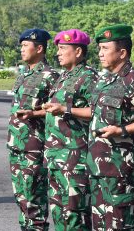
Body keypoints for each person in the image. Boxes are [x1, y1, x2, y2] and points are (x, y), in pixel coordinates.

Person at [88, 24, 134, 230]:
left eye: (105, 49)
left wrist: (122, 130)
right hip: (98, 168)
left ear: (122, 52)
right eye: (99, 49)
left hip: (120, 172)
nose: (100, 53)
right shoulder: (104, 80)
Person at [42, 29, 98, 230]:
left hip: (75, 158)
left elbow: (96, 111)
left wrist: (66, 109)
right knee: (59, 213)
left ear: (78, 52)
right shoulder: (63, 77)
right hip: (56, 156)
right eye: (58, 48)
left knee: (75, 215)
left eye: (63, 48)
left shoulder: (88, 77)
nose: (58, 52)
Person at [6, 28, 60, 231]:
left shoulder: (51, 76)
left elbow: (56, 112)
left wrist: (34, 114)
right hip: (16, 145)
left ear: (39, 48)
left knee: (34, 201)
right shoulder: (23, 74)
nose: (21, 49)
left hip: (33, 147)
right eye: (21, 46)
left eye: (25, 45)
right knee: (21, 199)